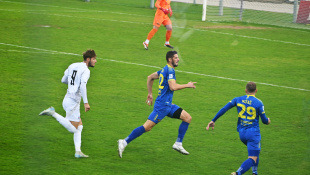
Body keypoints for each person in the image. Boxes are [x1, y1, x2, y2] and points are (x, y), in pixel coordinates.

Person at [118, 51, 196, 158]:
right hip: (162, 107)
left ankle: (178, 144)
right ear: (170, 59)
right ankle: (124, 142)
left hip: (168, 105)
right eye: (176, 58)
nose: (178, 59)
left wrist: (150, 93)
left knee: (187, 118)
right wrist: (187, 85)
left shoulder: (164, 69)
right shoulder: (170, 70)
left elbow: (150, 77)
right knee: (147, 127)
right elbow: (173, 87)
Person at [39, 49, 97, 158]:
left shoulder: (73, 65)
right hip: (73, 103)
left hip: (68, 99)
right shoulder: (86, 70)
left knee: (79, 126)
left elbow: (63, 80)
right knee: (73, 129)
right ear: (88, 59)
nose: (95, 61)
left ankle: (78, 151)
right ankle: (53, 113)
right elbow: (83, 85)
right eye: (94, 59)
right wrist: (86, 103)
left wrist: (73, 85)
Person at [206, 82, 271, 175]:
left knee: (256, 151)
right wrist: (268, 121)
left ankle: (254, 172)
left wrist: (213, 120)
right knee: (253, 158)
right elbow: (264, 121)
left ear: (245, 90)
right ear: (256, 90)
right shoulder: (259, 103)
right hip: (253, 133)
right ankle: (237, 173)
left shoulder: (237, 99)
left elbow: (224, 109)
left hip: (242, 133)